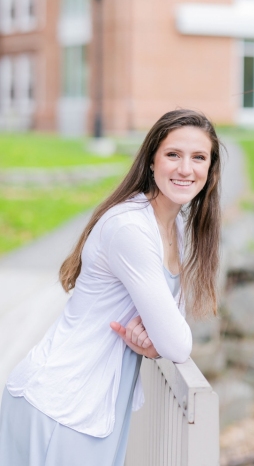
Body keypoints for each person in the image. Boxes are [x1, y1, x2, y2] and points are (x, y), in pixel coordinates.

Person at [0, 109, 222, 466]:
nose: (186, 169)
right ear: (152, 160)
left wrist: (155, 340)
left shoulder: (175, 228)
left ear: (210, 171)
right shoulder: (130, 228)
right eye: (173, 155)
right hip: (61, 407)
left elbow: (170, 329)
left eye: (199, 158)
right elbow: (177, 342)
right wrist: (159, 339)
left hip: (95, 408)